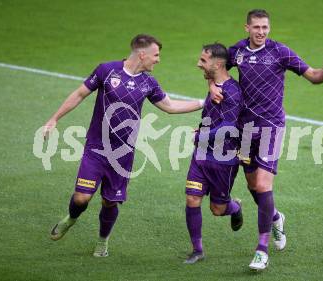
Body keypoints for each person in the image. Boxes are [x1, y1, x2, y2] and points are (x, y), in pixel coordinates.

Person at [43, 34, 203, 257]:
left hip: (123, 153)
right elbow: (79, 94)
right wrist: (54, 118)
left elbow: (170, 106)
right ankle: (71, 218)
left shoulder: (148, 82)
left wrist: (204, 102)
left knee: (110, 201)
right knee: (82, 197)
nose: (158, 60)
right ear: (142, 54)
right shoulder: (107, 70)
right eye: (156, 55)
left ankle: (102, 240)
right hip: (96, 147)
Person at [209, 9, 323, 270]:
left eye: (265, 27)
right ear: (246, 28)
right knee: (254, 188)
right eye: (256, 27)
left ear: (269, 28)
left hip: (271, 126)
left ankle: (261, 250)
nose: (261, 32)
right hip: (245, 128)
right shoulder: (237, 51)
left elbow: (312, 76)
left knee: (263, 184)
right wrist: (212, 85)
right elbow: (215, 66)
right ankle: (276, 217)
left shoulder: (280, 52)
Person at [184, 43, 244, 264]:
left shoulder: (233, 92)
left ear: (217, 64)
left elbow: (228, 127)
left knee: (217, 209)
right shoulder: (214, 84)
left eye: (203, 61)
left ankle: (235, 207)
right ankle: (197, 250)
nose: (198, 64)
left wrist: (200, 136)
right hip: (201, 155)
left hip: (224, 159)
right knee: (192, 198)